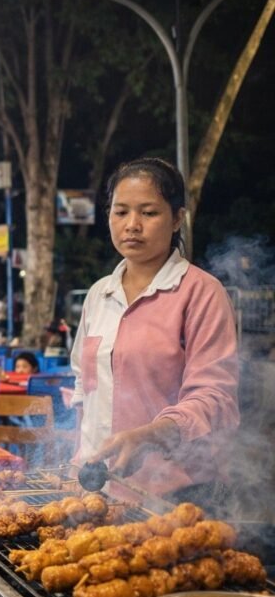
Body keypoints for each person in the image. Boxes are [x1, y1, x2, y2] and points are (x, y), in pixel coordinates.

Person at [71, 157, 239, 507]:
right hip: (99, 492)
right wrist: (77, 461)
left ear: (177, 218)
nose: (132, 225)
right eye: (121, 212)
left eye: (148, 213)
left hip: (176, 494)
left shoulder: (201, 293)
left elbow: (215, 398)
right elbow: (83, 389)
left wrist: (152, 435)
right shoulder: (99, 294)